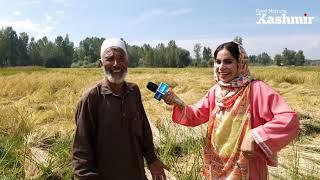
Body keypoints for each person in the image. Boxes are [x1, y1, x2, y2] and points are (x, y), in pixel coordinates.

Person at [163, 41, 300, 179]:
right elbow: (197, 115)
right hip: (218, 166)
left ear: (240, 64)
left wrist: (255, 135)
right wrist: (178, 103)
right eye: (218, 62)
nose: (221, 67)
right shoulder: (216, 91)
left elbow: (289, 119)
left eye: (228, 62)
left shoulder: (256, 89)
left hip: (247, 166)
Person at [72, 38, 167, 180]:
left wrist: (152, 159)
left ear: (127, 63)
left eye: (121, 58)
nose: (116, 64)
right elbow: (81, 151)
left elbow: (144, 129)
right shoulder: (92, 98)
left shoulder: (133, 91)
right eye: (110, 59)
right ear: (100, 64)